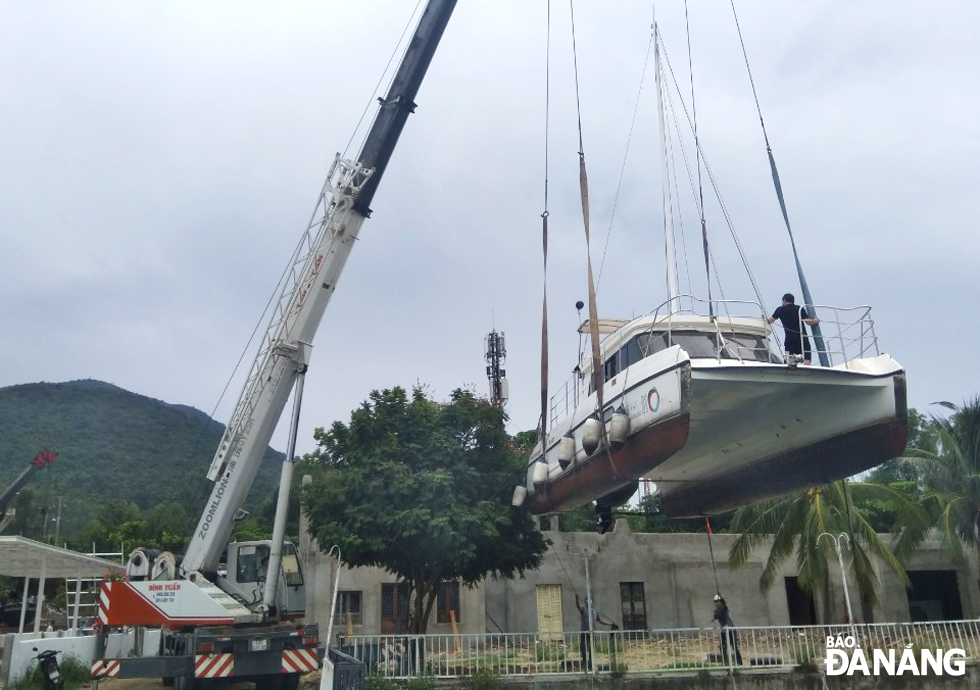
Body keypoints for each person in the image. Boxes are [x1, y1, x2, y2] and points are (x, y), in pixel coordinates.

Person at [767, 293, 820, 365]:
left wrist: (763, 319)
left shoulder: (780, 309)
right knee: (807, 359)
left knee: (788, 362)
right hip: (802, 338)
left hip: (789, 339)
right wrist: (815, 321)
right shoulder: (799, 308)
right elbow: (808, 322)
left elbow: (770, 321)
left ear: (784, 300)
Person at [575, 594, 616, 671]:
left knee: (592, 649)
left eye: (590, 600)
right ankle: (584, 663)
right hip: (584, 632)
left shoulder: (594, 612)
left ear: (592, 602)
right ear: (585, 601)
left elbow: (600, 621)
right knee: (583, 649)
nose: (589, 601)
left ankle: (590, 664)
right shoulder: (583, 610)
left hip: (591, 633)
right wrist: (576, 599)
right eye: (587, 600)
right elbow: (578, 606)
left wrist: (610, 623)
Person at [712, 594, 743, 666]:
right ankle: (725, 662)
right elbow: (716, 616)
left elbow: (723, 610)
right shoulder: (717, 610)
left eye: (718, 601)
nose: (716, 603)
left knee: (734, 646)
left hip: (730, 630)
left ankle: (739, 662)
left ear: (720, 601)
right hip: (723, 631)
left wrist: (722, 601)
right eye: (715, 602)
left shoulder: (725, 609)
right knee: (722, 647)